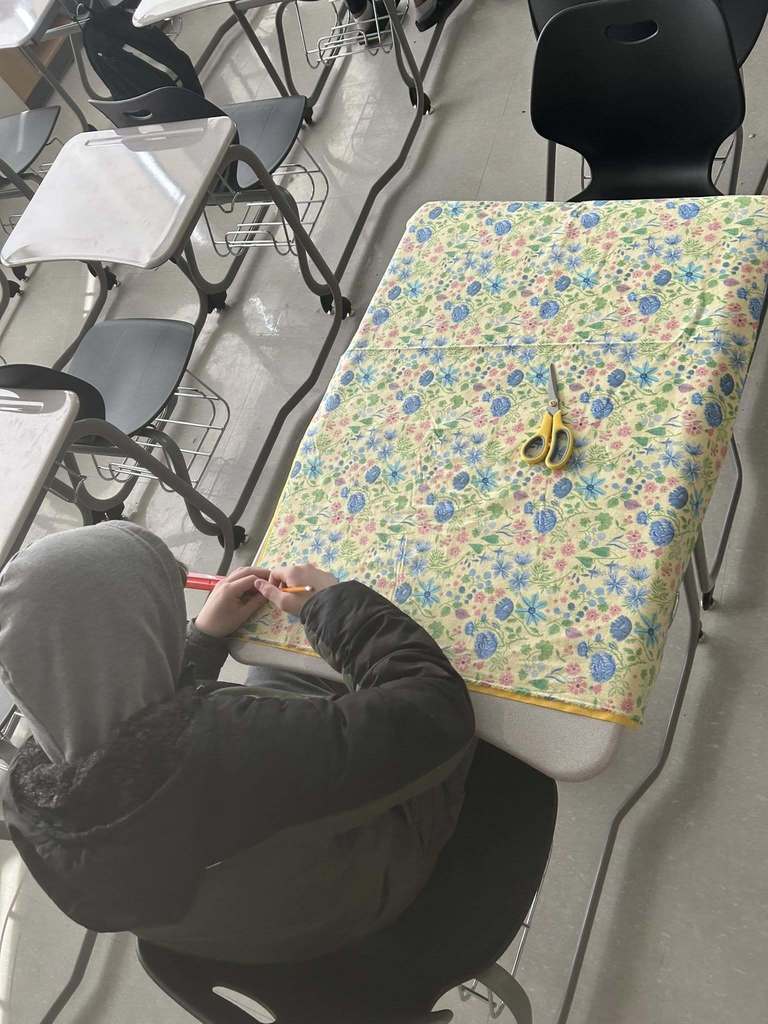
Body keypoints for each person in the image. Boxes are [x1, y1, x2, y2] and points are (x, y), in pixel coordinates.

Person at [0, 522, 475, 964]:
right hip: (367, 888)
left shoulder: (32, 798)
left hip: (258, 912)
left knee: (283, 666)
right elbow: (435, 709)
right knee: (463, 686)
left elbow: (137, 731)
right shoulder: (232, 745)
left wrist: (203, 640)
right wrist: (326, 603)